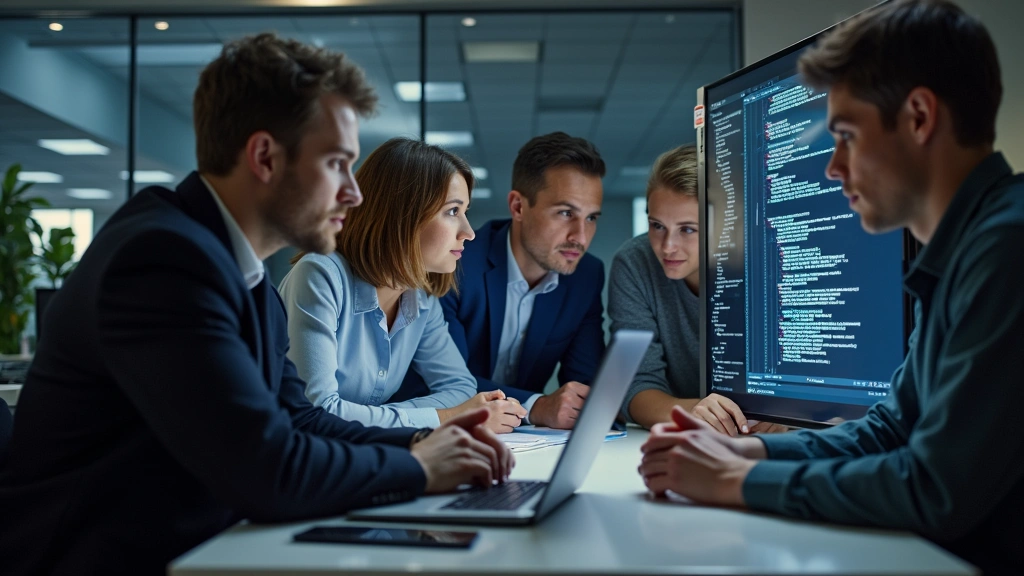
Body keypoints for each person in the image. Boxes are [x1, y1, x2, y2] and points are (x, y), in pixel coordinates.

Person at [0, 34, 511, 576]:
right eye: (337, 164)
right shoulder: (161, 260)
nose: (354, 194)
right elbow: (266, 468)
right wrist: (416, 466)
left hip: (194, 543)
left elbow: (302, 419)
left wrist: (423, 439)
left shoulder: (243, 275)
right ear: (265, 157)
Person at [638, 1, 1023, 572]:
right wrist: (753, 449)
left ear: (919, 117)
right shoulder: (968, 250)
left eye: (845, 135)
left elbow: (935, 488)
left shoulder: (1008, 247)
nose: (833, 167)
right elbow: (892, 428)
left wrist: (739, 481)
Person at [279, 137, 527, 433]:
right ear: (403, 215)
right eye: (452, 212)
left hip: (353, 456)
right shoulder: (320, 276)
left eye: (465, 212)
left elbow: (461, 387)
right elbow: (316, 412)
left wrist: (381, 417)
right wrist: (447, 417)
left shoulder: (420, 298)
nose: (469, 232)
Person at [397, 131, 606, 430]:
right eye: (565, 213)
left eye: (591, 218)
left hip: (522, 442)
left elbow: (582, 385)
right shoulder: (454, 262)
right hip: (435, 430)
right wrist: (537, 406)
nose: (581, 237)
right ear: (518, 207)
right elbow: (443, 384)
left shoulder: (585, 275)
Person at [608, 145, 785, 435]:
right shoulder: (634, 263)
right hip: (682, 436)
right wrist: (698, 411)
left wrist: (787, 415)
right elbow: (636, 387)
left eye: (688, 229)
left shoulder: (770, 264)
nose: (667, 246)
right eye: (657, 225)